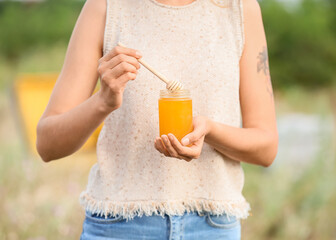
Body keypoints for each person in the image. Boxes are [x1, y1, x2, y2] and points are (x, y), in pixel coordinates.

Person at [36, 0, 278, 239]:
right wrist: (103, 102)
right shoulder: (105, 7)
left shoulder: (240, 9)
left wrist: (210, 131)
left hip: (211, 227)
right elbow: (47, 144)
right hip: (120, 226)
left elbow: (266, 148)